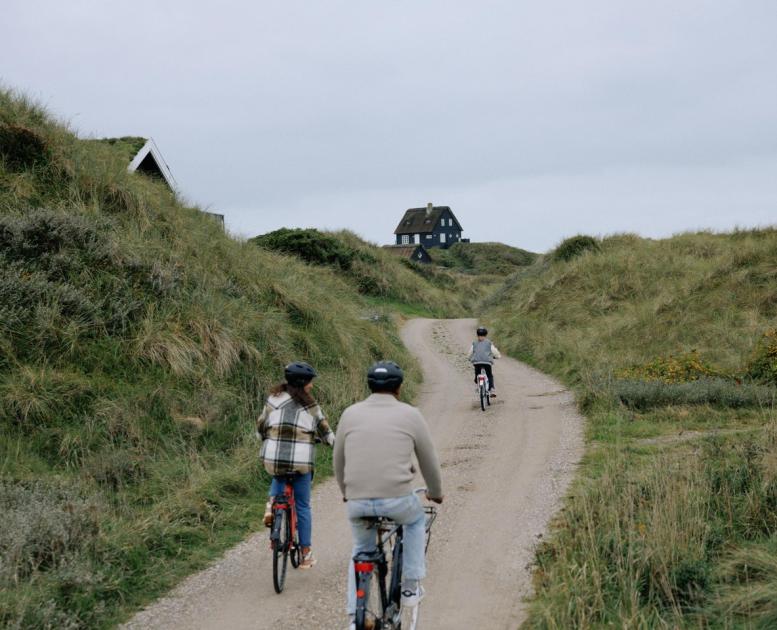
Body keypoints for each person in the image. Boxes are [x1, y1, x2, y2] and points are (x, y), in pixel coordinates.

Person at [334, 361, 443, 628]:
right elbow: (428, 460)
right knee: (416, 520)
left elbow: (338, 460)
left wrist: (346, 491)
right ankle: (410, 585)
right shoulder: (410, 414)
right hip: (397, 499)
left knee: (361, 549)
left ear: (369, 385)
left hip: (357, 500)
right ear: (399, 387)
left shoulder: (350, 413)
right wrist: (436, 493)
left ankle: (353, 617)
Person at [256, 361, 334, 569]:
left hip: (273, 458)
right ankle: (306, 554)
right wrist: (331, 442)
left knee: (278, 472)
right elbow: (325, 431)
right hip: (301, 461)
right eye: (310, 382)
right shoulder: (310, 405)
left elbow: (261, 425)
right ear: (303, 383)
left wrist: (265, 436)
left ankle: (272, 504)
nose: (312, 386)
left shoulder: (273, 399)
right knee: (303, 506)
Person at [469, 326, 502, 396]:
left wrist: (469, 358)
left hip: (477, 362)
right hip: (487, 362)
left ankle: (478, 386)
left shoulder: (474, 343)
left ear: (477, 335)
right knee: (489, 375)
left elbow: (470, 352)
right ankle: (492, 389)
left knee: (477, 375)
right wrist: (498, 356)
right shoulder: (489, 343)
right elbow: (494, 351)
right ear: (486, 335)